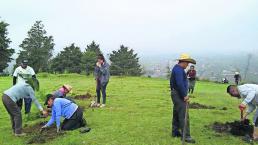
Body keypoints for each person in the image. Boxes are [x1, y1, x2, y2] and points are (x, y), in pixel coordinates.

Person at [170, 53, 196, 143]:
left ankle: (175, 132)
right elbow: (180, 84)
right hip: (178, 94)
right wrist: (184, 96)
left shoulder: (178, 69)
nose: (188, 65)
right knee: (184, 115)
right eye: (187, 63)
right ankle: (186, 136)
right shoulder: (178, 70)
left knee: (177, 113)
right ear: (183, 62)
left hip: (177, 94)